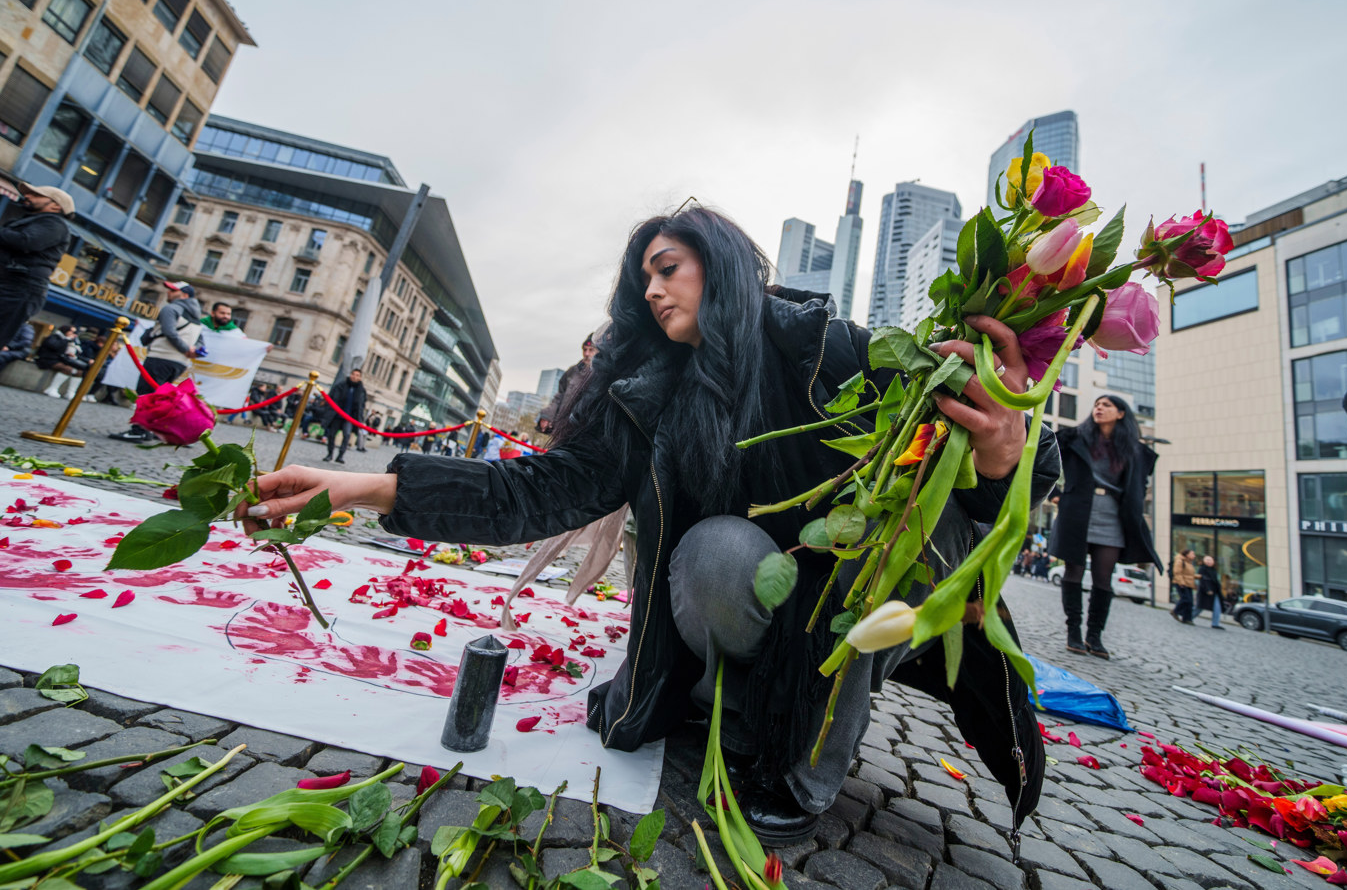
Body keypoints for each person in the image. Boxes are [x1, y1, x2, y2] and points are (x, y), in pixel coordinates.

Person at [242, 208, 1058, 842]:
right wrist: (357, 488)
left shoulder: (829, 347)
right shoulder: (647, 393)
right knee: (714, 554)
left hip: (864, 600)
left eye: (668, 268)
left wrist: (1000, 451)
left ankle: (804, 770)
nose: (654, 291)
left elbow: (1001, 474)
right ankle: (739, 704)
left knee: (870, 547)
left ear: (721, 264)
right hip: (733, 592)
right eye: (644, 281)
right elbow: (537, 490)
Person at [1052, 394, 1160, 659]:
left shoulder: (1133, 449)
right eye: (1097, 404)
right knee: (1073, 572)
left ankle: (1094, 636)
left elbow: (1140, 484)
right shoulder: (1074, 437)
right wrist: (1054, 493)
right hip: (1077, 511)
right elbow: (1042, 457)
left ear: (1121, 414)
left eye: (1106, 405)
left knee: (1103, 578)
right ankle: (1073, 632)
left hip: (1113, 515)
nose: (1099, 408)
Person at [111, 281, 203, 442]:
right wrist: (190, 351)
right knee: (159, 397)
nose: (168, 292)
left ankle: (139, 430)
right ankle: (151, 429)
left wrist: (184, 348)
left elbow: (169, 332)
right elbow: (200, 340)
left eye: (173, 290)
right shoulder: (197, 317)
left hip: (161, 356)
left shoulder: (171, 308)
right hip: (180, 363)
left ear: (184, 295)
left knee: (146, 393)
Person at [0, 185, 73, 351]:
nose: (28, 196)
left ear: (56, 206)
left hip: (18, 288)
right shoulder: (29, 221)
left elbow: (26, 241)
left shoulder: (54, 224)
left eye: (36, 195)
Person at [537, 335, 596, 433]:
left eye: (591, 350)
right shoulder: (572, 371)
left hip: (582, 429)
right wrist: (547, 416)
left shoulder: (601, 375)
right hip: (562, 425)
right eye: (585, 349)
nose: (586, 353)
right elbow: (559, 396)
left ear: (598, 351)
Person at [322, 368, 366, 464]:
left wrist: (359, 418)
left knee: (346, 436)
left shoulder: (361, 390)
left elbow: (361, 406)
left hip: (350, 418)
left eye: (357, 375)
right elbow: (332, 398)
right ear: (350, 375)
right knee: (332, 435)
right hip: (337, 415)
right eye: (353, 374)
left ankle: (340, 455)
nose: (354, 377)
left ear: (360, 377)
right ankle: (330, 454)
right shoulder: (341, 385)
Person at [36, 324, 88, 398]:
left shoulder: (68, 340)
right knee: (68, 369)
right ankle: (53, 388)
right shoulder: (55, 337)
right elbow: (54, 346)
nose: (73, 333)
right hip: (47, 359)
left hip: (59, 360)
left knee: (79, 372)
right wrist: (66, 340)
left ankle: (71, 392)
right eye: (71, 331)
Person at [1195, 555, 1225, 630]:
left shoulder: (1214, 570)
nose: (1209, 562)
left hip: (1215, 592)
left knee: (1217, 607)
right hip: (1205, 591)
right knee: (1199, 607)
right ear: (1204, 561)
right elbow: (1202, 581)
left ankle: (1215, 623)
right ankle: (1188, 617)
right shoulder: (1202, 569)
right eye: (1207, 560)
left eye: (1210, 560)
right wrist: (1207, 590)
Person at [1171, 548, 1199, 624]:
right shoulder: (1180, 560)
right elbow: (1177, 572)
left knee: (1190, 602)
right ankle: (1175, 611)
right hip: (1181, 583)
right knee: (1186, 599)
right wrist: (1181, 583)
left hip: (1188, 584)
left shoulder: (1189, 562)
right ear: (1187, 554)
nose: (1194, 556)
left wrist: (1199, 576)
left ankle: (1187, 619)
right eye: (1192, 554)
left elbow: (1189, 575)